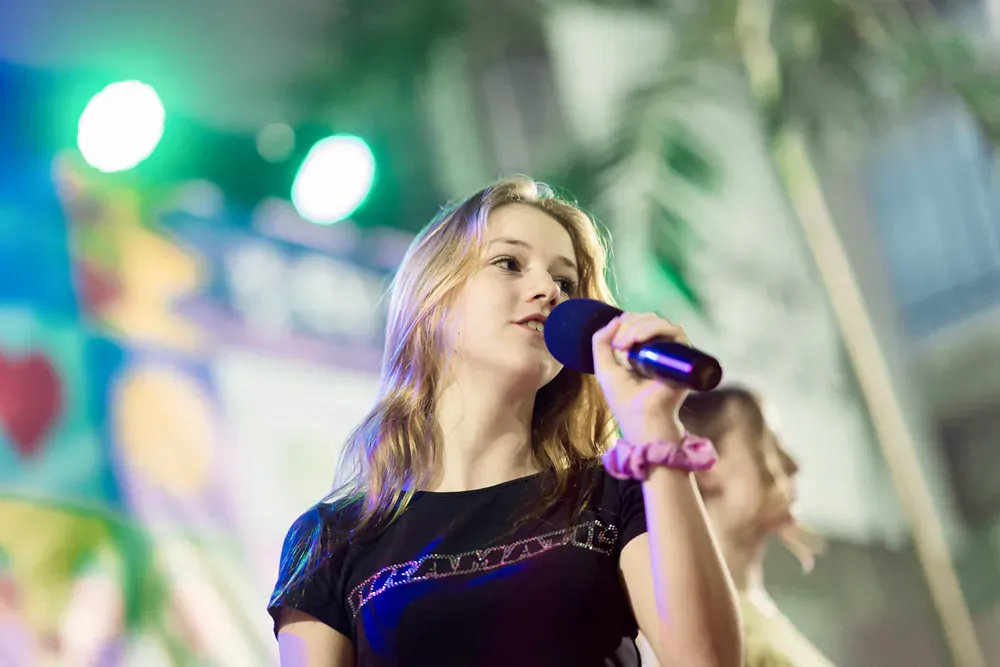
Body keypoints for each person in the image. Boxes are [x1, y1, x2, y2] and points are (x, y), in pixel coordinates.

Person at [267, 176, 741, 667]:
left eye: (566, 282)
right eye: (508, 264)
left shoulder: (611, 496)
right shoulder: (336, 536)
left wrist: (654, 425)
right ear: (436, 296)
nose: (546, 291)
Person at [638, 386, 834, 667]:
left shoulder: (756, 616)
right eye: (765, 445)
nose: (792, 465)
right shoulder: (701, 636)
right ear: (704, 466)